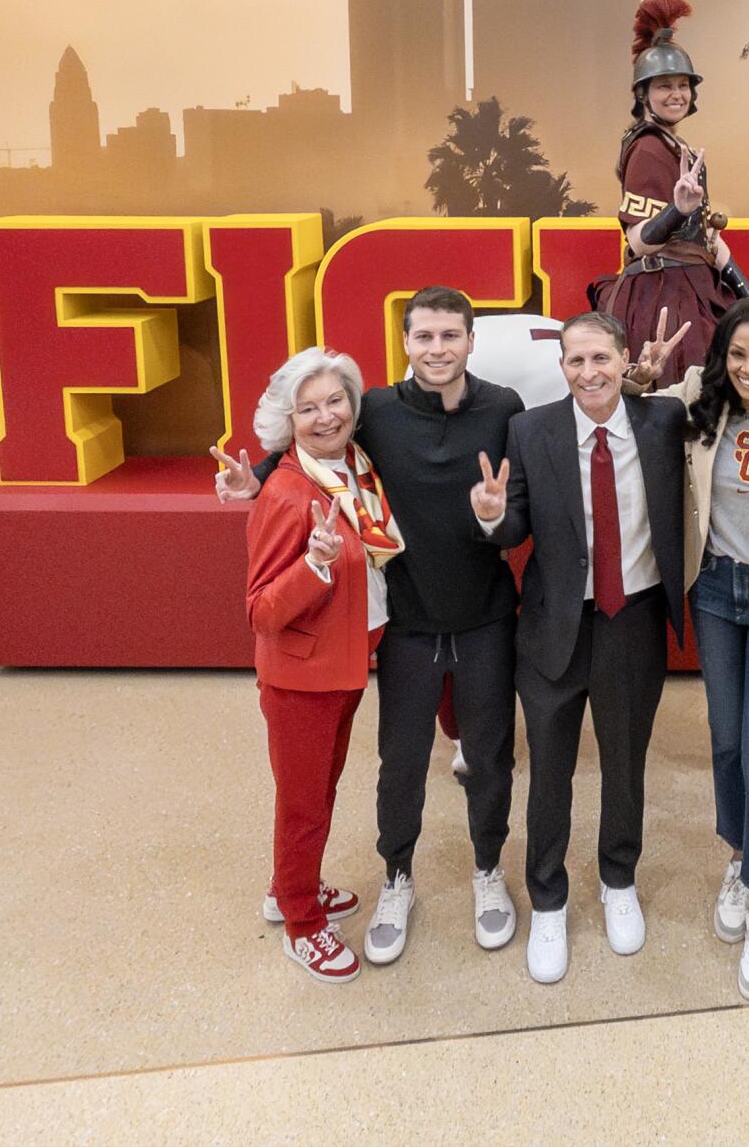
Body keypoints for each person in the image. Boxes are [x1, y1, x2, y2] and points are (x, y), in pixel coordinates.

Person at [215, 286, 524, 965]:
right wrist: (258, 478)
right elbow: (306, 457)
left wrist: (497, 516)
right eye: (424, 337)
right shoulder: (376, 412)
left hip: (474, 619)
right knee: (394, 767)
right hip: (399, 627)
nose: (438, 349)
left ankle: (485, 873)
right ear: (405, 343)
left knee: (487, 759)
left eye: (451, 336)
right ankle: (393, 879)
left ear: (472, 340)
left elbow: (519, 502)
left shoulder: (500, 408)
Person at [471, 310, 688, 985]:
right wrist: (491, 517)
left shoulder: (662, 424)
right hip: (553, 625)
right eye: (575, 361)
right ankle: (549, 899)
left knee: (625, 762)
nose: (589, 372)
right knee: (552, 770)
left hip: (634, 619)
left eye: (601, 358)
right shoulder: (530, 430)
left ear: (625, 360)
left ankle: (618, 878)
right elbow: (514, 529)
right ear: (560, 367)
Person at [628, 298, 749, 1001]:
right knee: (726, 744)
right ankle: (742, 858)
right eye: (738, 355)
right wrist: (637, 376)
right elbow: (630, 414)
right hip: (715, 590)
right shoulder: (698, 404)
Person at [245, 347, 396, 983]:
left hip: (344, 664)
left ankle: (290, 887)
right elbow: (260, 610)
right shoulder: (286, 492)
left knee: (318, 791)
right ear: (288, 421)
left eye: (335, 401)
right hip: (302, 678)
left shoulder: (355, 466)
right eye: (308, 408)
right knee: (305, 803)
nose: (325, 416)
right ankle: (303, 922)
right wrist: (315, 566)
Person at [589, 0, 749, 387]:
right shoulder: (646, 147)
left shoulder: (678, 147)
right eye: (664, 86)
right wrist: (677, 209)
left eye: (683, 85)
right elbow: (639, 242)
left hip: (694, 282)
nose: (677, 94)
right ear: (644, 94)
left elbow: (710, 244)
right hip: (666, 294)